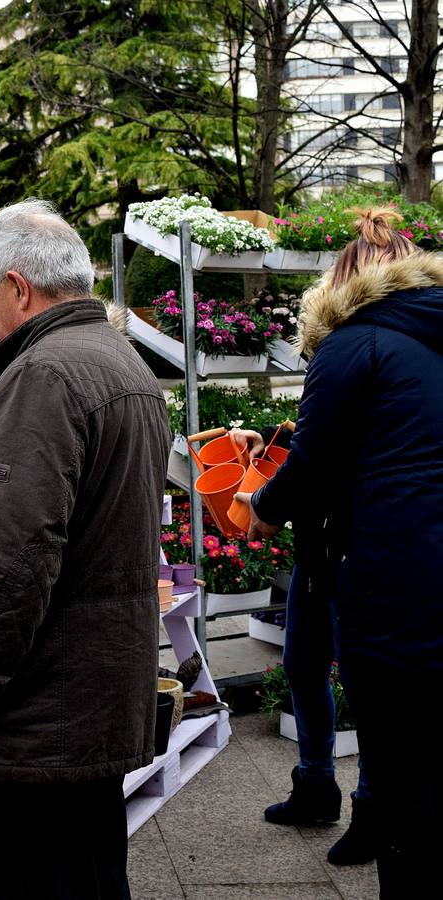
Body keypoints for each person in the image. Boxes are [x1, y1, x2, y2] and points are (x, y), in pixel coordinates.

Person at [0, 200, 170, 900]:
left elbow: (8, 575)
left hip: (35, 719)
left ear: (19, 288)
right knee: (88, 874)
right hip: (88, 704)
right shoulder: (120, 361)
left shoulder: (44, 376)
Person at [234, 207, 443, 897]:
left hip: (396, 575)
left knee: (399, 750)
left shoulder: (351, 345)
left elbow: (316, 466)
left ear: (343, 285)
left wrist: (260, 507)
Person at [230, 425, 376, 866]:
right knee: (302, 667)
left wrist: (268, 502)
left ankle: (373, 813)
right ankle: (315, 789)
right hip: (316, 548)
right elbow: (316, 441)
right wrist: (272, 447)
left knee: (365, 683)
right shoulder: (334, 366)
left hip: (359, 549)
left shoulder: (365, 359)